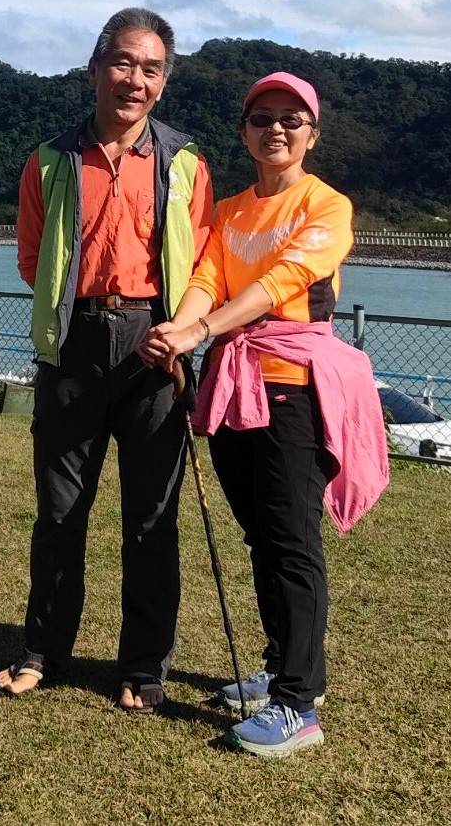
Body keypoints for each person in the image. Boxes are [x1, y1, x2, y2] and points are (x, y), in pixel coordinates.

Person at [140, 71, 388, 756]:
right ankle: (282, 667)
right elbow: (206, 278)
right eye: (261, 118)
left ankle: (298, 704)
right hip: (236, 384)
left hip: (295, 389)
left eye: (290, 119)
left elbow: (284, 281)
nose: (275, 129)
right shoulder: (229, 210)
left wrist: (201, 329)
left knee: (291, 541)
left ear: (312, 134)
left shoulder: (326, 205)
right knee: (262, 536)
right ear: (244, 132)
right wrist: (181, 328)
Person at [0, 7, 213, 713]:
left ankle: (143, 666)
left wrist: (180, 333)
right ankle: (42, 652)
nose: (135, 79)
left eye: (151, 69)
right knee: (59, 514)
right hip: (73, 346)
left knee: (152, 519)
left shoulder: (185, 163)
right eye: (122, 62)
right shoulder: (50, 161)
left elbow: (204, 264)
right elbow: (32, 258)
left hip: (156, 346)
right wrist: (76, 312)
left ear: (163, 82)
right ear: (93, 70)